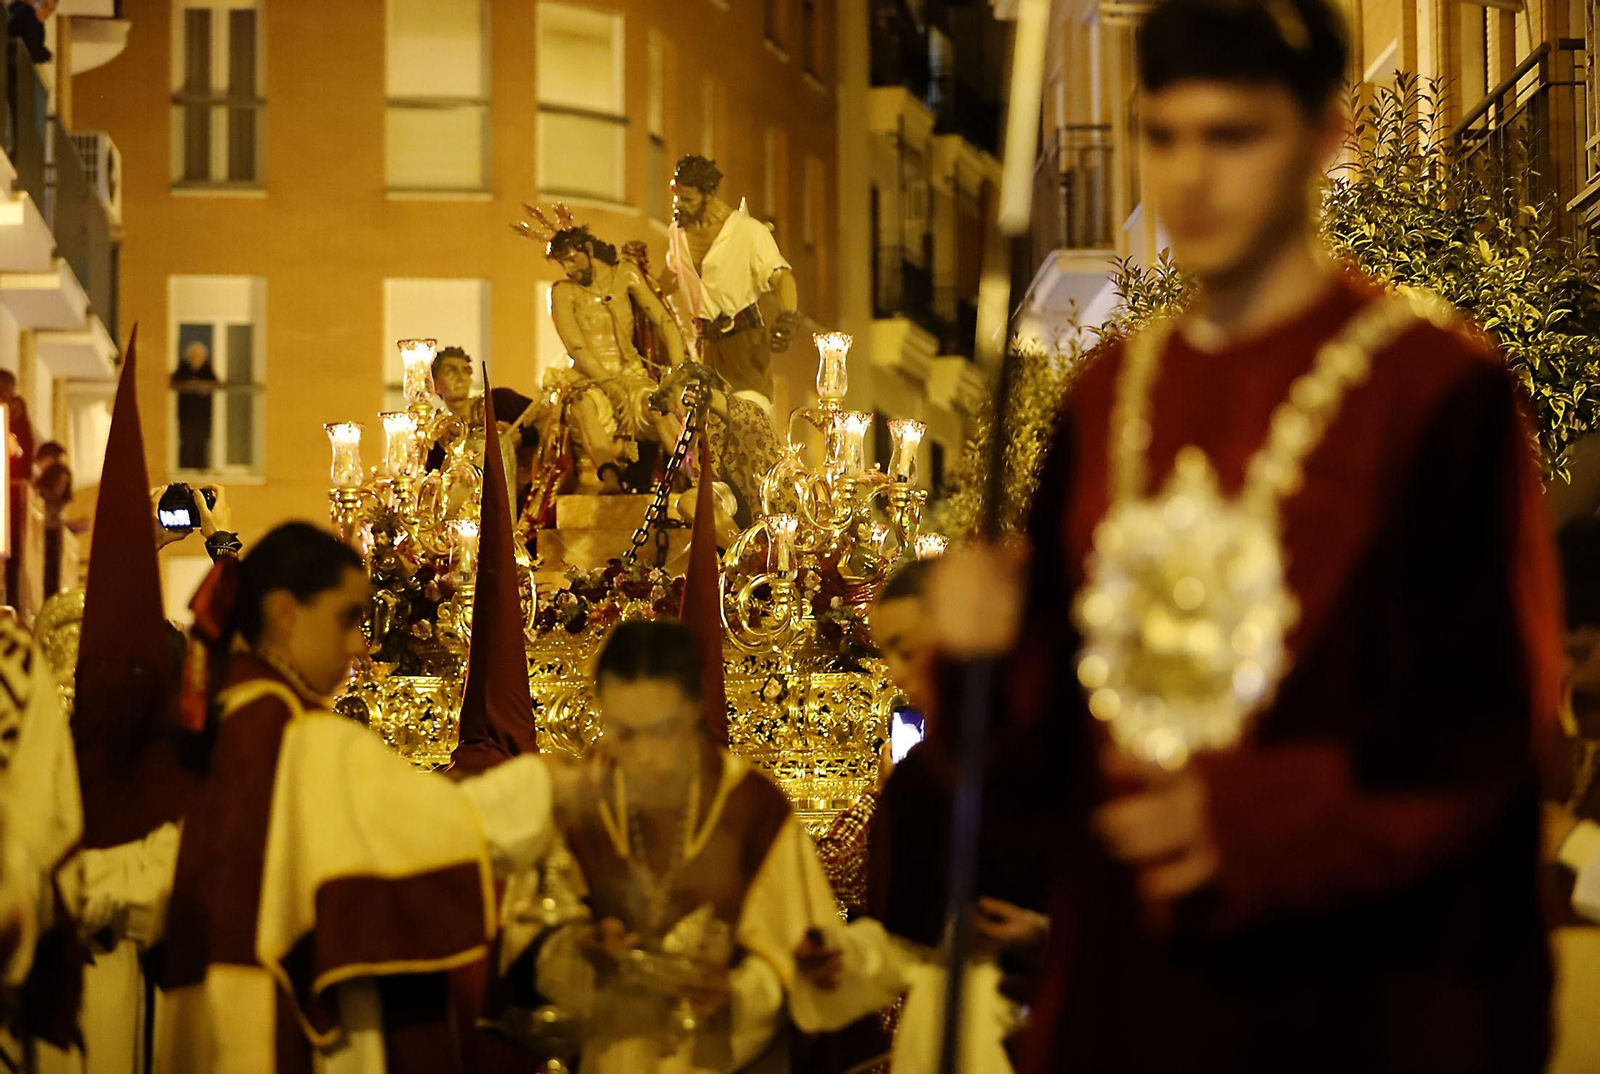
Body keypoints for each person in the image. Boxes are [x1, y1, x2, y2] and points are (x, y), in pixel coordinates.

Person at [933, 0, 1563, 1068]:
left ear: (1323, 136)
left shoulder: (1433, 390)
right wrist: (977, 657)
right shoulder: (1101, 397)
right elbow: (1037, 779)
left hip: (1357, 1004)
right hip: (1128, 1000)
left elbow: (1487, 726)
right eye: (1162, 134)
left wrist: (1250, 819)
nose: (1189, 177)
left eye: (1233, 136)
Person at [75, 522, 563, 1072]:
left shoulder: (234, 708)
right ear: (285, 612)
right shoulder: (291, 733)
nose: (360, 643)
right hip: (266, 1028)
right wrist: (556, 788)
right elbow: (441, 825)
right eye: (348, 617)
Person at [524, 618, 902, 1073]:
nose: (642, 755)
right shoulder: (580, 803)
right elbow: (533, 942)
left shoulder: (752, 810)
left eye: (661, 732)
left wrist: (737, 993)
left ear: (695, 712)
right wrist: (580, 951)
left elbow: (801, 961)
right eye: (623, 732)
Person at [546, 225, 685, 491]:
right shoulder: (563, 292)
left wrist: (677, 373)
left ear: (587, 248)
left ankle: (691, 476)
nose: (569, 268)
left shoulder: (626, 275)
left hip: (632, 376)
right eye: (563, 262)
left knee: (659, 407)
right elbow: (576, 346)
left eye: (572, 258)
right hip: (590, 379)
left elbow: (665, 322)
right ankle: (610, 477)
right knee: (582, 406)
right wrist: (609, 385)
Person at [663, 155, 800, 403]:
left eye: (688, 200)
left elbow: (781, 277)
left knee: (747, 416)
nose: (679, 205)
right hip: (704, 347)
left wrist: (788, 317)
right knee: (701, 425)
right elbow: (673, 275)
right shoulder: (677, 233)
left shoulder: (747, 231)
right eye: (677, 198)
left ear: (709, 196)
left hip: (743, 343)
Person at [170, 341, 218, 472]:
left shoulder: (207, 370)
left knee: (201, 442)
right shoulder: (183, 369)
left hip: (203, 415)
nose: (196, 358)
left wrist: (204, 388)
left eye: (199, 356)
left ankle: (201, 468)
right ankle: (185, 467)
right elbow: (175, 382)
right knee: (187, 441)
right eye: (194, 355)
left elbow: (215, 384)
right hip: (186, 414)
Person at [34, 441, 69, 597]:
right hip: (52, 526)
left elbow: (50, 496)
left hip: (49, 527)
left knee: (49, 572)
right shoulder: (60, 473)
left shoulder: (57, 473)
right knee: (51, 572)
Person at [6, 0, 55, 64]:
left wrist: (47, 55)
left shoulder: (38, 23)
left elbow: (36, 46)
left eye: (51, 10)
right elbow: (31, 52)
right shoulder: (26, 15)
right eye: (45, 6)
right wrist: (47, 56)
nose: (47, 13)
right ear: (36, 2)